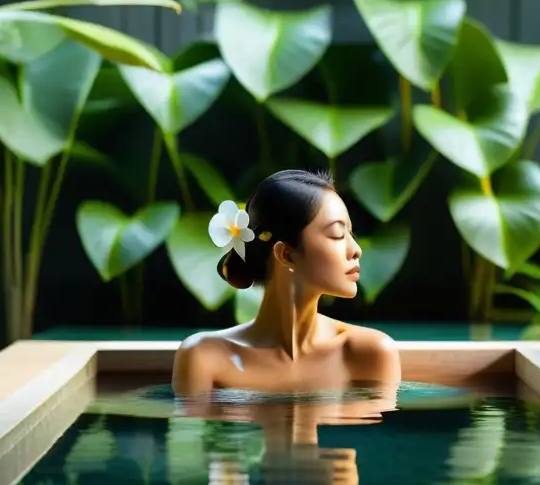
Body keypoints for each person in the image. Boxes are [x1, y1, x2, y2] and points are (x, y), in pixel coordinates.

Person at [172, 169, 401, 396]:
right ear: (286, 254)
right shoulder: (204, 357)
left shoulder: (369, 353)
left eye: (351, 234)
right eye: (337, 235)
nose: (356, 250)